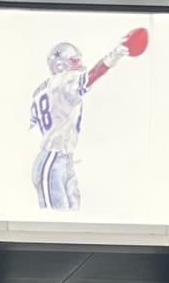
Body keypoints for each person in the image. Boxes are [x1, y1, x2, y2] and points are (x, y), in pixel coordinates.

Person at [28, 28, 148, 211]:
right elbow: (89, 78)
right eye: (74, 61)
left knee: (72, 221)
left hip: (62, 160)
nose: (78, 64)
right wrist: (115, 54)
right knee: (58, 224)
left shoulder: (42, 90)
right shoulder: (64, 81)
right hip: (52, 161)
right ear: (60, 65)